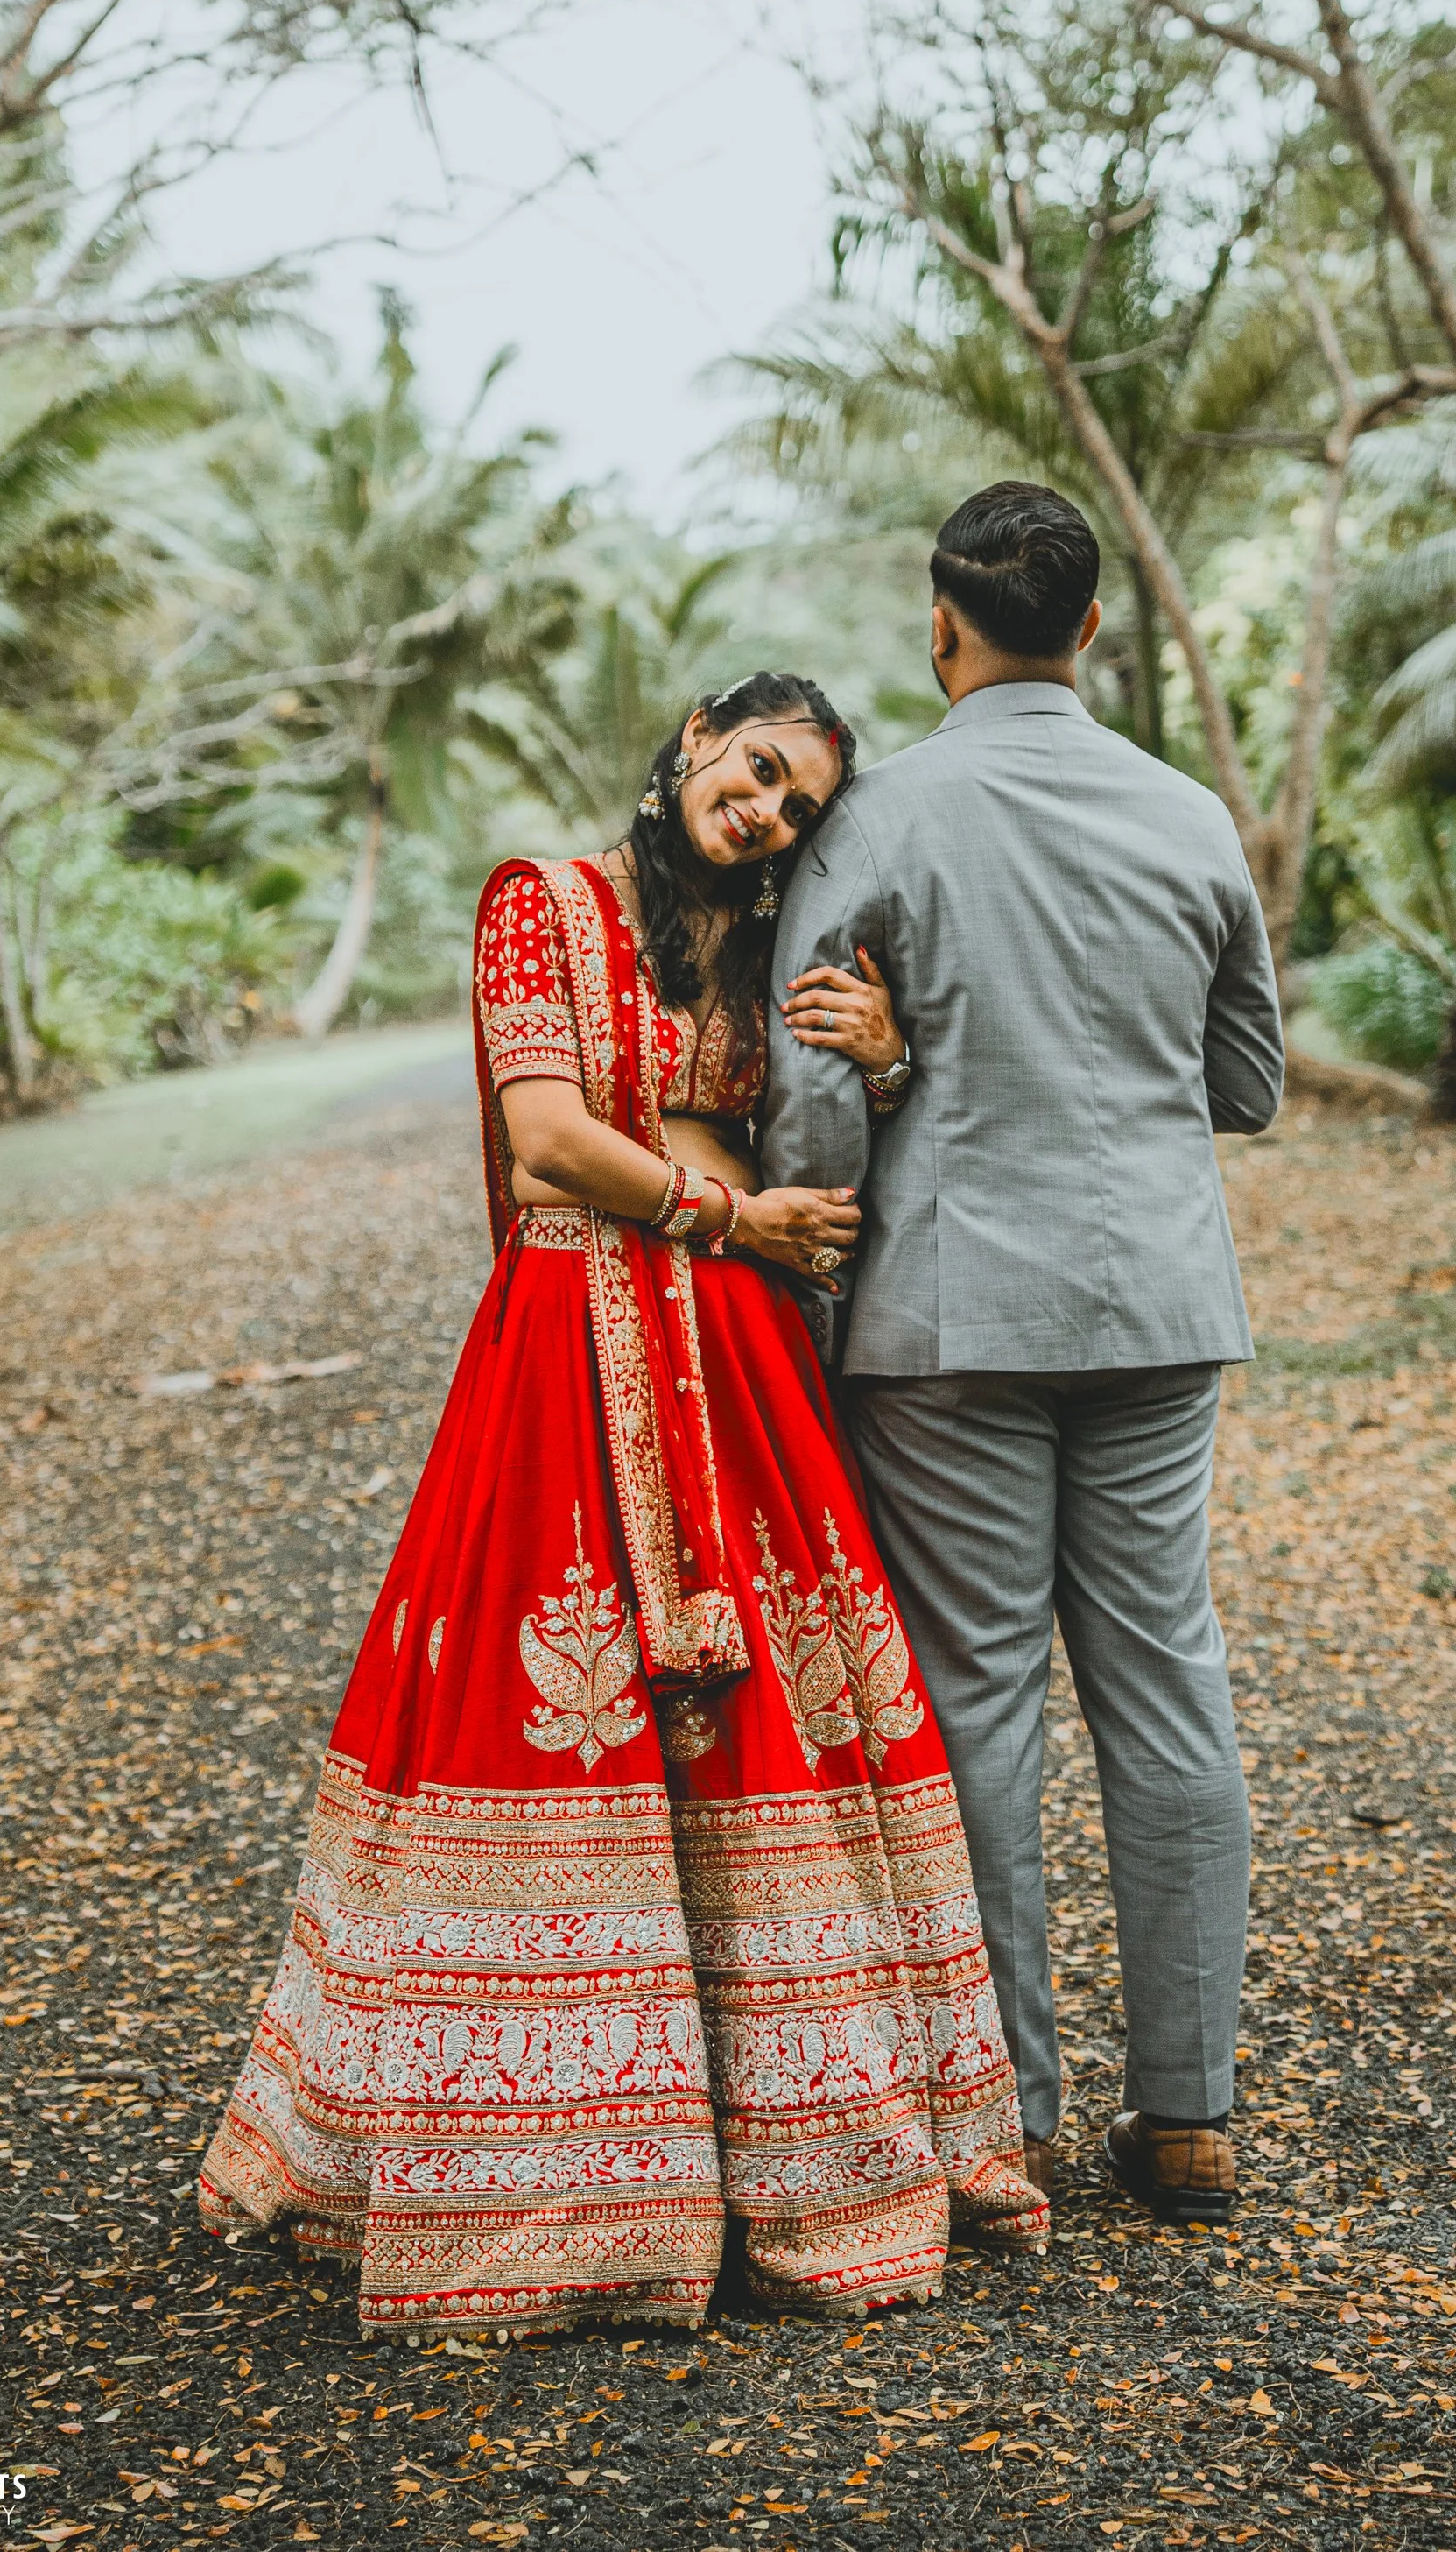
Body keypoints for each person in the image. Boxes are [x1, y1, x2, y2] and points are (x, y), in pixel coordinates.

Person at [199, 673, 1046, 2343]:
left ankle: (785, 2166)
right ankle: (563, 2186)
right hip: (575, 1339)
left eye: (801, 803)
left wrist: (880, 1066)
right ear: (687, 741)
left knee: (772, 1736)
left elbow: (807, 1136)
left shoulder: (761, 946)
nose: (771, 814)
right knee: (551, 1712)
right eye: (757, 772)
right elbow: (544, 1147)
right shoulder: (546, 904)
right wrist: (724, 1219)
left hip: (733, 1367)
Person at [765, 486, 1285, 2230]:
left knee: (973, 1691)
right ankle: (1190, 2112)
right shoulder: (1186, 812)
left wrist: (816, 1259)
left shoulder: (882, 814)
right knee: (1166, 1679)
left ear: (940, 628)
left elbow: (819, 1096)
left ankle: (1010, 2120)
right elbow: (1245, 1086)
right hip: (1150, 1305)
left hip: (946, 1324)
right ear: (1085, 632)